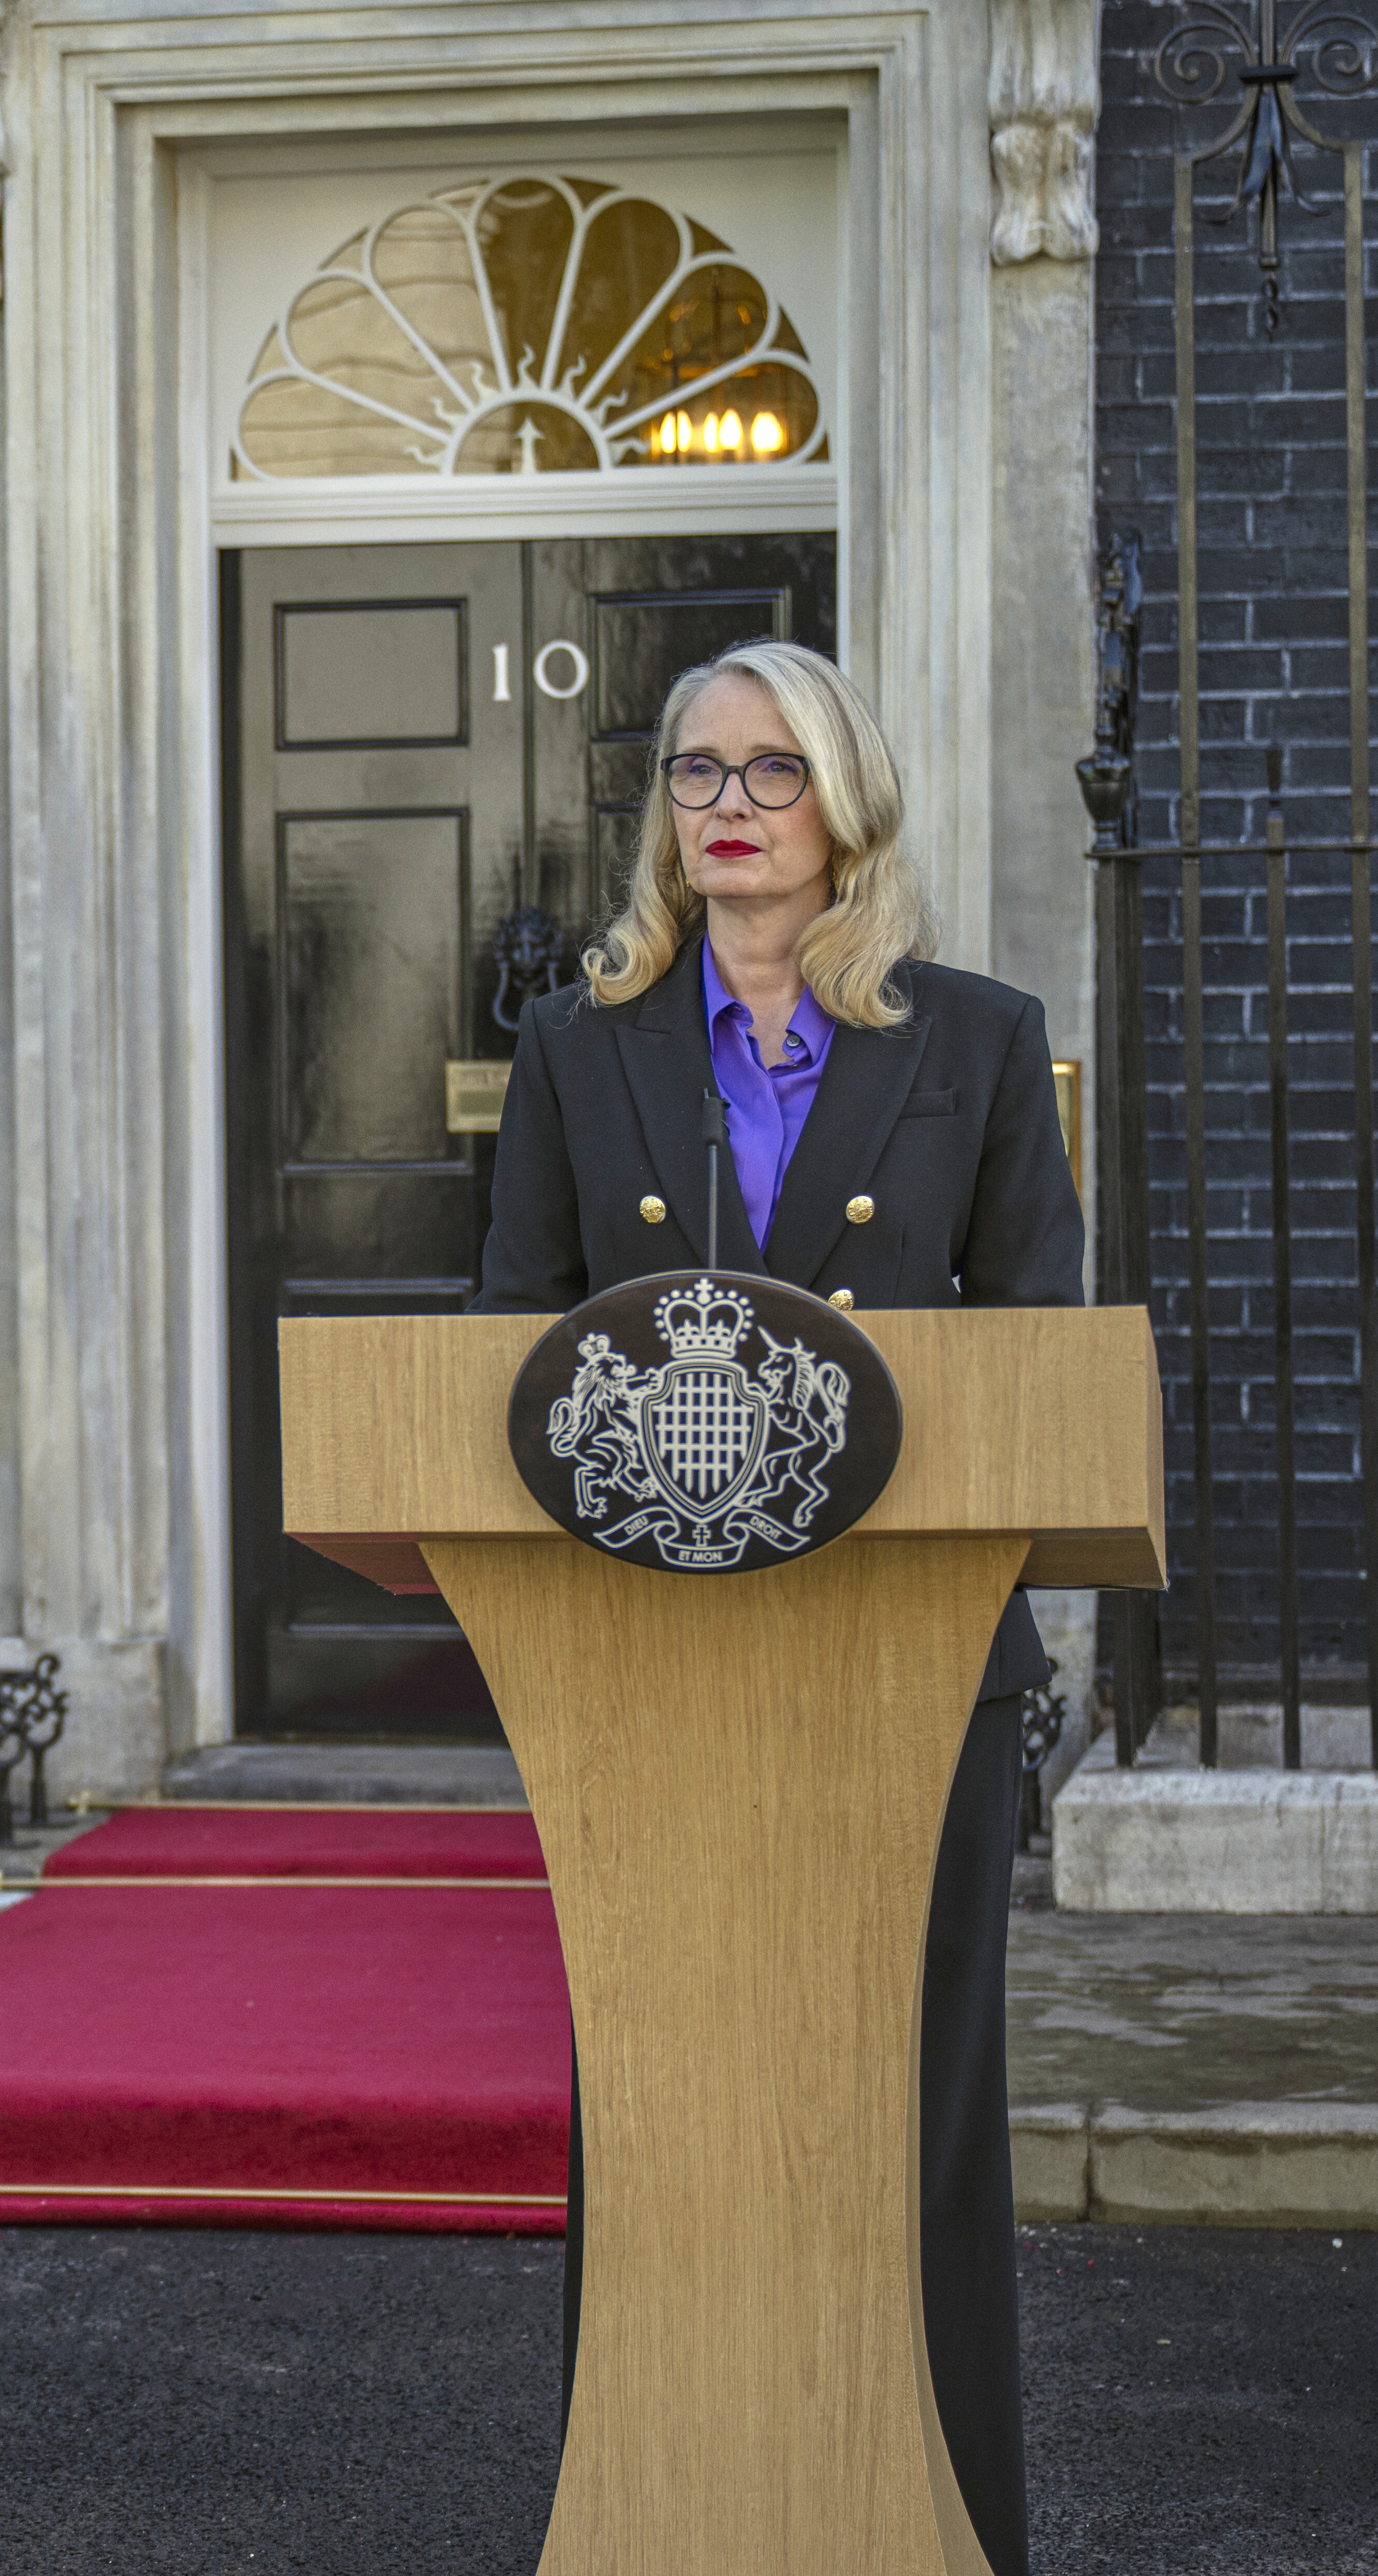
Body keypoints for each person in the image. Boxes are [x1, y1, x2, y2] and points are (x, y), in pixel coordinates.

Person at [471, 635, 1076, 2576]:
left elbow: (1040, 1364)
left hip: (910, 1682)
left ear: (848, 805)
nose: (727, 807)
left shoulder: (974, 1042)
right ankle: (655, 2517)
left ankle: (936, 2530)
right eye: (695, 774)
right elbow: (510, 1352)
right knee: (665, 2120)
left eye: (771, 772)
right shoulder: (582, 1048)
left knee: (910, 2126)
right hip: (647, 1674)